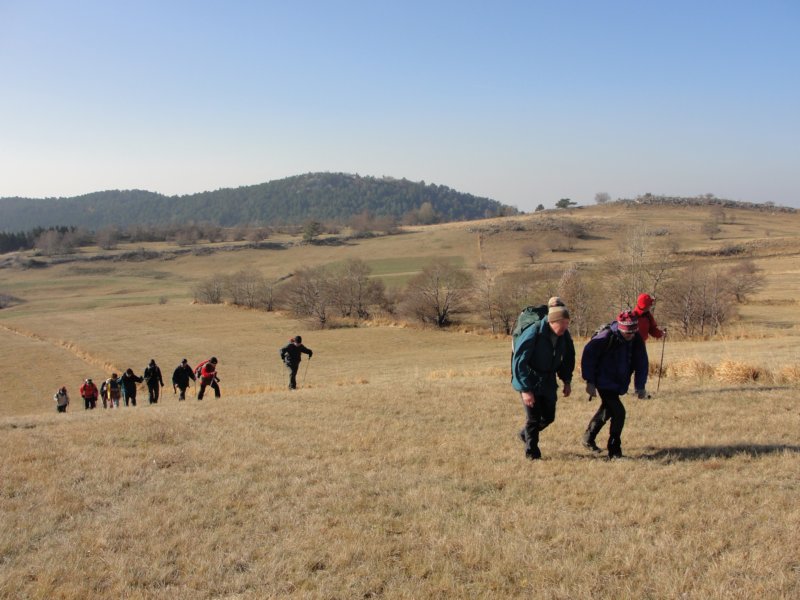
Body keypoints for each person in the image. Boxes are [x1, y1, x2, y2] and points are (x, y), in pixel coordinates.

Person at [580, 310, 649, 459]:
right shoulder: (606, 337)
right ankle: (614, 451)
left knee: (607, 410)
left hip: (619, 382)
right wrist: (590, 381)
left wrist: (640, 387)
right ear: (620, 328)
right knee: (619, 412)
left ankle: (588, 438)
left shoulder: (636, 339)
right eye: (627, 332)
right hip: (603, 381)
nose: (630, 335)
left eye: (633, 331)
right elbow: (588, 356)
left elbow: (642, 363)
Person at [511, 303, 575, 460]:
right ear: (552, 321)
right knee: (533, 418)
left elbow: (568, 359)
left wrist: (566, 380)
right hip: (530, 379)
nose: (565, 326)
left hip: (548, 380)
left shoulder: (564, 335)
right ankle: (532, 454)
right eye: (563, 323)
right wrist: (525, 390)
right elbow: (519, 362)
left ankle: (525, 434)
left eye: (567, 323)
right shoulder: (534, 332)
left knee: (548, 417)